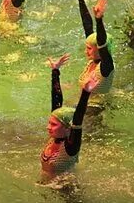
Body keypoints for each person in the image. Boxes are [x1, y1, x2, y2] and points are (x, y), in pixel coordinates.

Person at [40, 52, 105, 182]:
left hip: (66, 188)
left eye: (53, 125)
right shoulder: (56, 136)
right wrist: (55, 71)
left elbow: (78, 117)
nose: (49, 127)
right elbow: (56, 101)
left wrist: (86, 93)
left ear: (67, 128)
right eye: (50, 123)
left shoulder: (70, 146)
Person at [70, 0, 115, 105]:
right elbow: (88, 27)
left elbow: (101, 42)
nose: (85, 52)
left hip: (94, 110)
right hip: (82, 101)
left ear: (100, 50)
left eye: (89, 49)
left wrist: (99, 20)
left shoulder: (105, 67)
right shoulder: (93, 61)